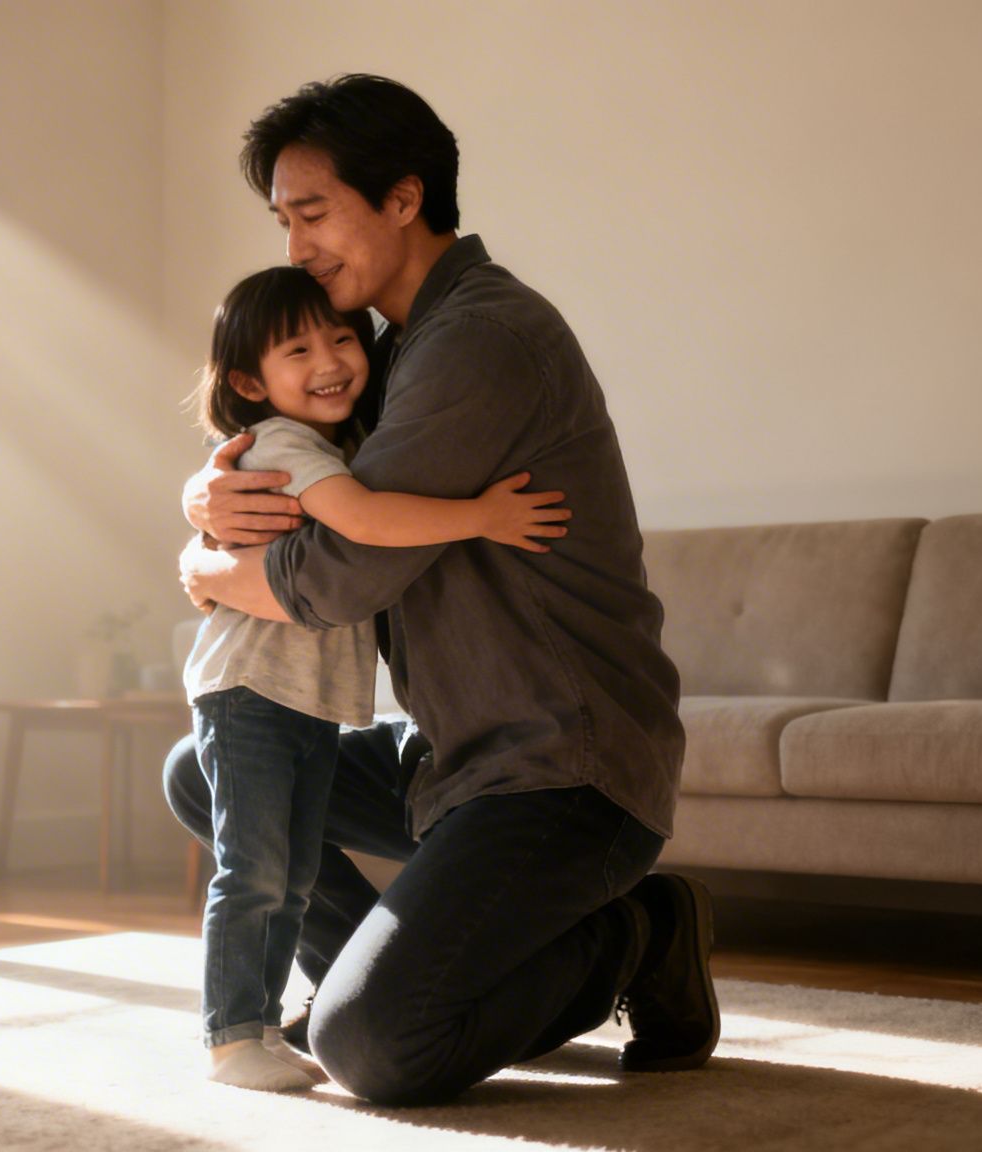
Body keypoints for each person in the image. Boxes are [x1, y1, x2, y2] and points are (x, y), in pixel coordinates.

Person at [168, 73, 715, 1106]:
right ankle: (363, 979)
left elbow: (341, 572)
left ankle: (636, 936)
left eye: (313, 214)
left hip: (562, 765)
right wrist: (208, 497)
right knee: (205, 772)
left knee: (378, 1050)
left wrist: (204, 567)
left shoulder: (477, 341)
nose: (296, 250)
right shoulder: (379, 354)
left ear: (404, 199)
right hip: (453, 754)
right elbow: (276, 471)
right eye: (283, 224)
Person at [182, 265, 570, 1092]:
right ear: (251, 382)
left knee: (287, 875)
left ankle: (264, 1023)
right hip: (250, 690)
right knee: (253, 870)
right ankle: (229, 1036)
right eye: (299, 347)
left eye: (342, 336)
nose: (331, 358)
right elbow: (361, 521)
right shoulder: (286, 445)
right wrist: (481, 517)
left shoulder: (338, 447)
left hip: (305, 701)